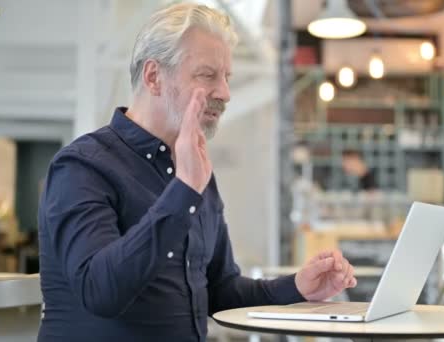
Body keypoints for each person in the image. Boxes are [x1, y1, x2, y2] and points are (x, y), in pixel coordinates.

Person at [37, 3, 357, 342]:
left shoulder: (193, 171)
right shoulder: (83, 166)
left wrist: (297, 286)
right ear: (153, 76)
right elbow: (99, 290)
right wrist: (184, 190)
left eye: (227, 77)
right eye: (207, 75)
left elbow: (220, 290)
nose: (225, 93)